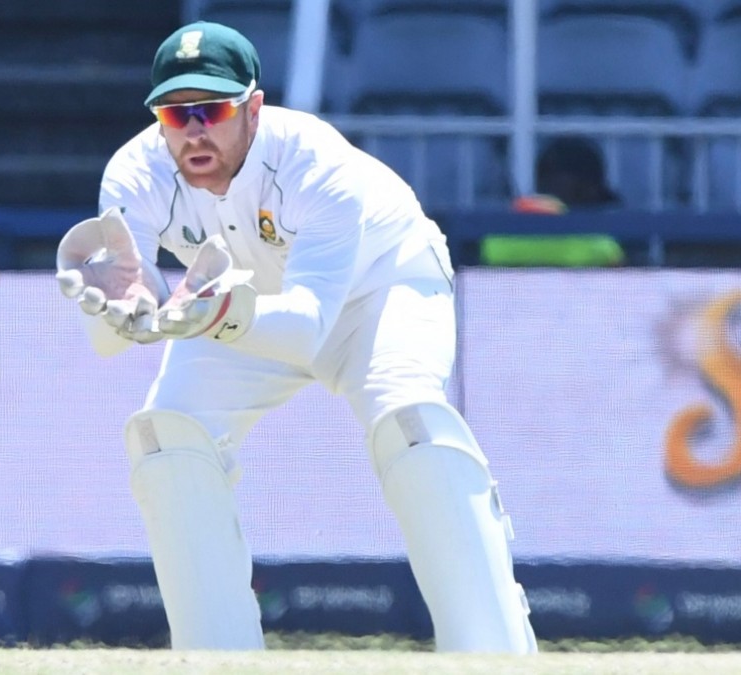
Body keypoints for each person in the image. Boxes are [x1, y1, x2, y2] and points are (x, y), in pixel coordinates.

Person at [54, 21, 537, 653]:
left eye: (212, 110)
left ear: (253, 108)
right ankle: (216, 659)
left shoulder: (314, 161)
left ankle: (493, 654)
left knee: (412, 423)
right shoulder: (133, 173)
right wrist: (119, 310)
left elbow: (308, 327)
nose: (194, 131)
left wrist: (214, 313)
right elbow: (113, 334)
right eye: (175, 114)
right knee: (165, 437)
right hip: (232, 302)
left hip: (378, 288)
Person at [484, 136, 626, 267]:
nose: (595, 208)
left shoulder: (498, 238)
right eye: (593, 195)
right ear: (583, 188)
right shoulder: (600, 248)